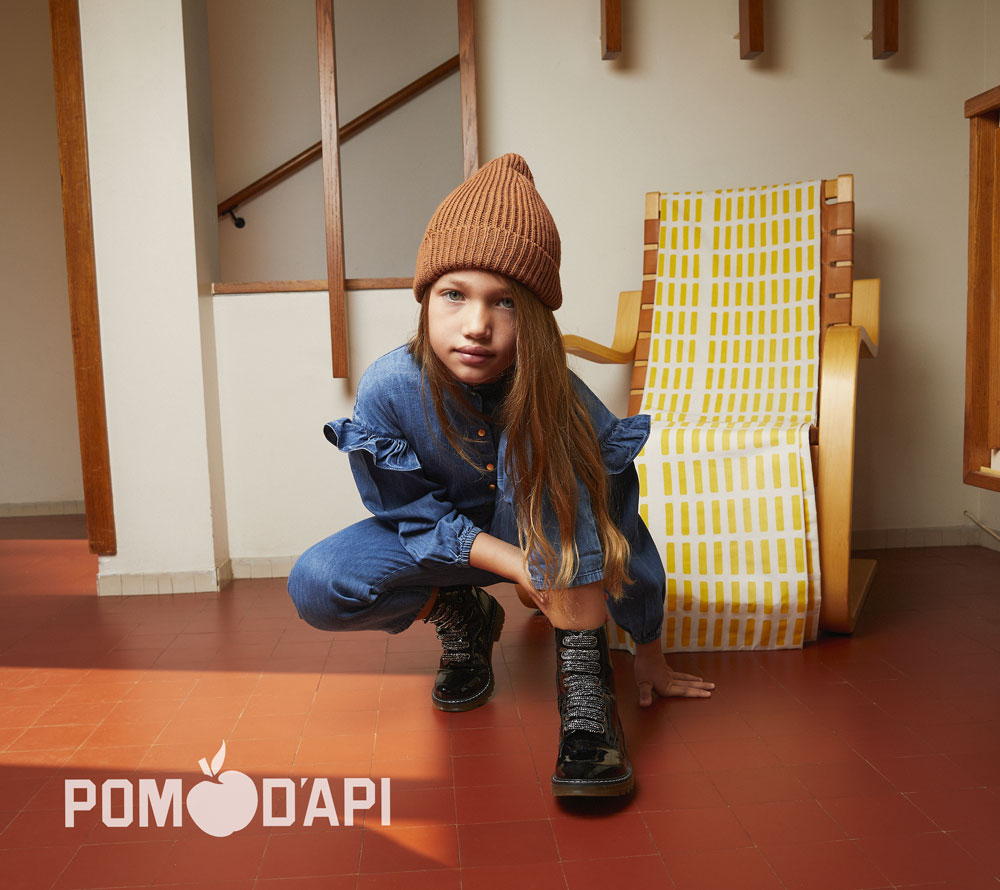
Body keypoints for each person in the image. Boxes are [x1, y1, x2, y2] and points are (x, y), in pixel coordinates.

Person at [288, 153, 713, 798]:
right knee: (318, 583)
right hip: (457, 550)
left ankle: (586, 694)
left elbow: (617, 520)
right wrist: (516, 569)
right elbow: (409, 516)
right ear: (426, 297)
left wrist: (647, 643)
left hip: (555, 549)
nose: (477, 325)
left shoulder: (559, 393)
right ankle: (463, 615)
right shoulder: (389, 387)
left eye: (504, 302)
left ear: (534, 318)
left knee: (552, 444)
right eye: (454, 294)